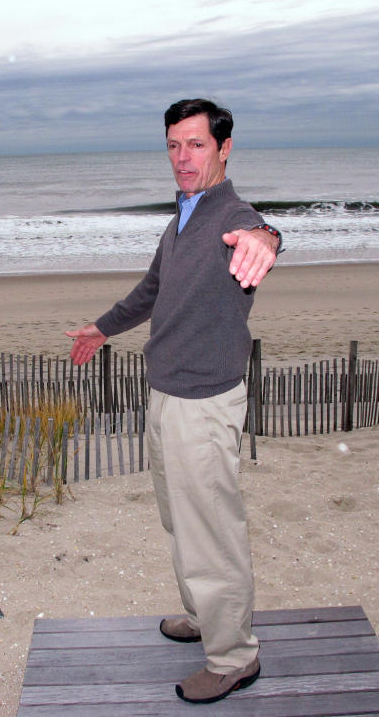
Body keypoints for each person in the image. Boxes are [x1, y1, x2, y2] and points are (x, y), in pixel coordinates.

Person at [66, 98, 282, 704]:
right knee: (180, 520)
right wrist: (104, 328)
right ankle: (203, 615)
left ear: (224, 148)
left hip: (204, 402)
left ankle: (234, 655)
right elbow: (154, 287)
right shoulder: (184, 215)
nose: (183, 159)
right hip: (167, 394)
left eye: (196, 145)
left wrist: (268, 238)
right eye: (173, 145)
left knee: (211, 530)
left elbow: (261, 234)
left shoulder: (231, 216)